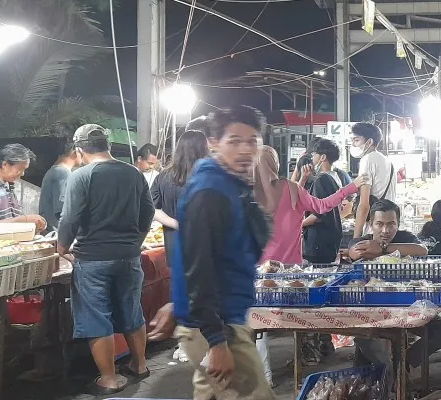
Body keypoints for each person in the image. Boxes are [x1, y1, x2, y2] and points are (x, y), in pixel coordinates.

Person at [170, 106, 276, 400]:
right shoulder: (210, 192)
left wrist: (178, 302)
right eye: (234, 141)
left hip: (215, 317)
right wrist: (216, 342)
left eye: (253, 141)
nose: (245, 150)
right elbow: (199, 266)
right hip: (219, 325)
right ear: (213, 142)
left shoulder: (230, 185)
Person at [57, 124, 155, 394]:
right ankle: (139, 366)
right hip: (129, 256)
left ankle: (109, 380)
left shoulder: (81, 176)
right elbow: (148, 212)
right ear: (108, 146)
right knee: (132, 311)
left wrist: (62, 246)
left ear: (79, 150)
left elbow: (70, 218)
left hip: (93, 259)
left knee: (96, 317)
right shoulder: (133, 173)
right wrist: (136, 241)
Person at [348, 200, 441, 372]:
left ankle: (403, 364)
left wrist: (383, 249)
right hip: (373, 311)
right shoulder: (362, 241)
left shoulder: (406, 239)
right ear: (370, 224)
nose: (385, 230)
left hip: (407, 307)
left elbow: (423, 250)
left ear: (398, 223)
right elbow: (354, 252)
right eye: (379, 224)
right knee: (367, 347)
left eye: (391, 224)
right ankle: (371, 377)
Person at [256, 145, 364, 265]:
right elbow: (321, 206)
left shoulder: (246, 195)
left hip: (259, 267)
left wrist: (302, 179)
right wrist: (351, 187)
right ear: (275, 163)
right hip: (290, 268)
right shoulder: (290, 188)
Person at [150, 131, 210, 264]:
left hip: (174, 248)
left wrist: (176, 224)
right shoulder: (210, 177)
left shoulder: (163, 177)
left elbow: (152, 209)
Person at [302, 138, 355, 264]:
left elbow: (318, 215)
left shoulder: (322, 179)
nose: (312, 158)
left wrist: (299, 224)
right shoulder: (336, 176)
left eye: (314, 154)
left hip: (319, 241)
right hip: (330, 238)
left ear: (323, 157)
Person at [0, 144, 46, 233]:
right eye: (20, 169)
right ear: (5, 164)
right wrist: (23, 220)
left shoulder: (7, 186)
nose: (22, 174)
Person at [351, 122, 396, 238]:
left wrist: (355, 238)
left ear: (369, 142)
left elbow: (364, 205)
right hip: (389, 227)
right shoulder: (388, 162)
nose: (353, 144)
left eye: (356, 140)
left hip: (374, 228)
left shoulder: (367, 160)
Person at [39, 141, 82, 232]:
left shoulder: (55, 171)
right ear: (75, 152)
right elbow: (63, 209)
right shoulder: (62, 173)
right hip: (57, 233)